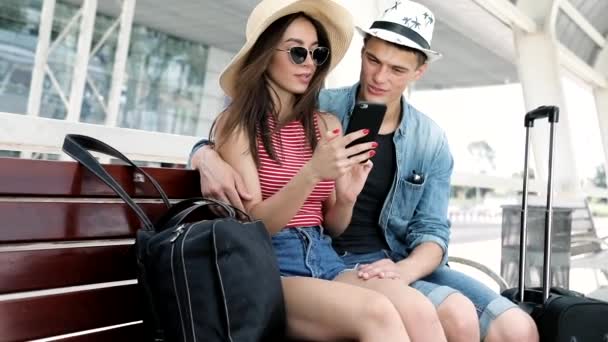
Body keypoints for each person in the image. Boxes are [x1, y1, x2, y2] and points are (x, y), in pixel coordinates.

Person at [192, 1, 540, 342]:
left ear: (418, 73)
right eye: (298, 53)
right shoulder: (317, 112)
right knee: (390, 312)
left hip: (344, 257)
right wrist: (203, 154)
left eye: (318, 54)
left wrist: (346, 197)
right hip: (284, 260)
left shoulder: (356, 128)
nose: (379, 76)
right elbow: (250, 213)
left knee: (482, 321)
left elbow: (427, 230)